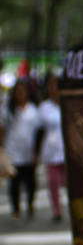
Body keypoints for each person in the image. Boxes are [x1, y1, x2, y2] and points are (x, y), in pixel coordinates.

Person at [2, 79, 40, 219]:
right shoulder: (8, 110)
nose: (20, 94)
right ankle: (15, 208)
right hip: (13, 150)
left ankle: (30, 204)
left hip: (29, 151)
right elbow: (2, 130)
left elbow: (38, 131)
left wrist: (37, 151)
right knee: (14, 182)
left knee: (30, 181)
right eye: (17, 91)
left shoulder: (34, 110)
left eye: (22, 91)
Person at [38, 74, 65, 221]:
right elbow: (38, 131)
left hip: (68, 151)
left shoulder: (69, 104)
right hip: (51, 151)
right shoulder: (44, 107)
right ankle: (56, 210)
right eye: (51, 86)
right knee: (53, 183)